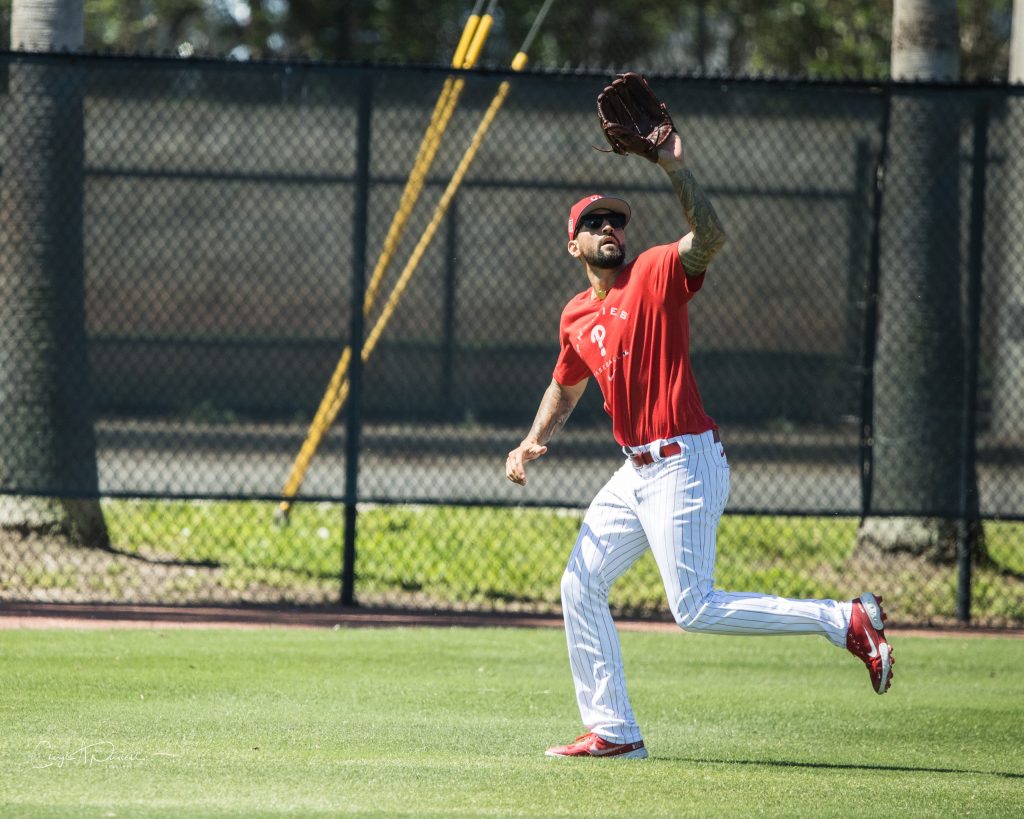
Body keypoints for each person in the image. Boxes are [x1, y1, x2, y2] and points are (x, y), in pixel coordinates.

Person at [504, 126, 894, 760]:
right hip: (635, 471)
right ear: (572, 242)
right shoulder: (576, 314)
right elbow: (565, 384)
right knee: (579, 584)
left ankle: (844, 620)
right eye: (595, 222)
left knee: (693, 607)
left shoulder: (655, 271)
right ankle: (614, 731)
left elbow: (710, 238)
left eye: (616, 221)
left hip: (684, 458)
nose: (610, 229)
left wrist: (672, 167)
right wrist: (529, 442)